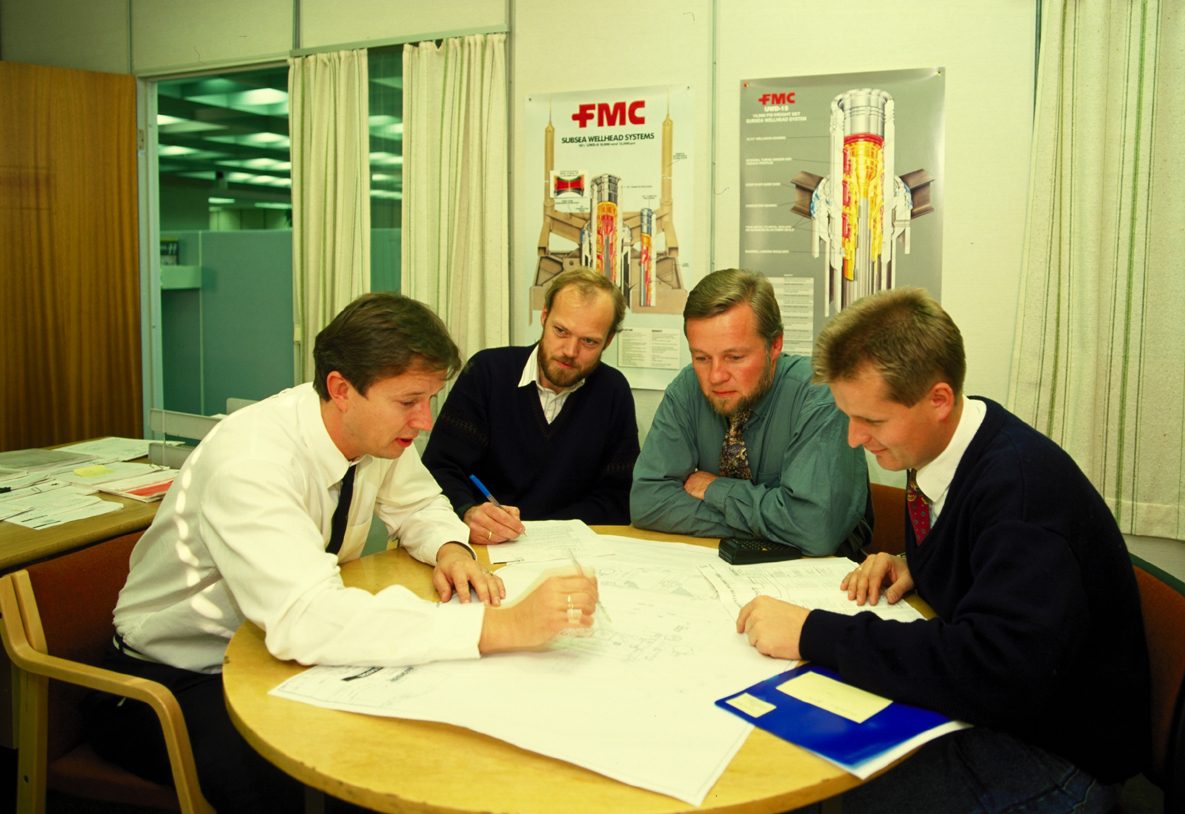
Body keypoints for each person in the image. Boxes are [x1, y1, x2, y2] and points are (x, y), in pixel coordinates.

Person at [90, 293, 599, 813]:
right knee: (311, 778)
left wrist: (450, 548)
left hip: (264, 654)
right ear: (341, 389)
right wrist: (503, 627)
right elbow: (307, 619)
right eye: (408, 402)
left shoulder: (374, 435)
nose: (424, 421)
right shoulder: (251, 461)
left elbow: (419, 503)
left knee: (407, 741)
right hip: (168, 681)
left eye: (430, 398)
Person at [736, 288, 1149, 812]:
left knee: (843, 789)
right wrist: (920, 562)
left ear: (938, 399)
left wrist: (814, 632)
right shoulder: (949, 446)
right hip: (1008, 711)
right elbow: (987, 569)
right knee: (812, 746)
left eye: (873, 421)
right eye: (849, 416)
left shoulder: (1023, 495)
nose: (853, 438)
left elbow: (992, 670)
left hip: (1060, 755)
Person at [630, 268, 870, 557]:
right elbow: (648, 502)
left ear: (775, 345)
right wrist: (778, 521)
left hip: (822, 581)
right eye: (702, 358)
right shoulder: (687, 388)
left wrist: (716, 490)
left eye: (734, 357)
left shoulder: (820, 394)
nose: (715, 376)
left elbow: (814, 530)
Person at [422, 267, 639, 544]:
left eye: (588, 341)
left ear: (608, 341)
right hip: (484, 544)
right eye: (561, 331)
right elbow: (439, 468)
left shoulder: (613, 392)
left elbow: (619, 497)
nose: (570, 351)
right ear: (544, 317)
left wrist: (543, 532)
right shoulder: (487, 373)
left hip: (570, 549)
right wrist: (468, 510)